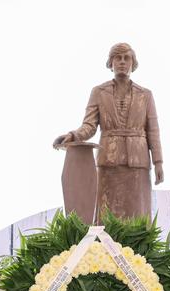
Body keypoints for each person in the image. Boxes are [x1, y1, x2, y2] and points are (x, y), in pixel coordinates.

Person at [56, 42, 163, 221]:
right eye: (117, 58)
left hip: (138, 162)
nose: (122, 62)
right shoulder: (98, 92)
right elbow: (89, 125)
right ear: (111, 63)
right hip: (109, 160)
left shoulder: (146, 95)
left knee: (138, 215)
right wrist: (73, 135)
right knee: (106, 215)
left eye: (126, 58)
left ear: (133, 63)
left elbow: (153, 131)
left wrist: (158, 162)